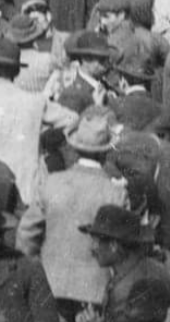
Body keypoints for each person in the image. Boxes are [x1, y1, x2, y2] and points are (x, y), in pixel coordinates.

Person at [18, 110, 128, 310]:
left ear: (75, 148)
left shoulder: (52, 183)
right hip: (95, 292)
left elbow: (26, 234)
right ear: (105, 152)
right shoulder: (116, 194)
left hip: (51, 286)